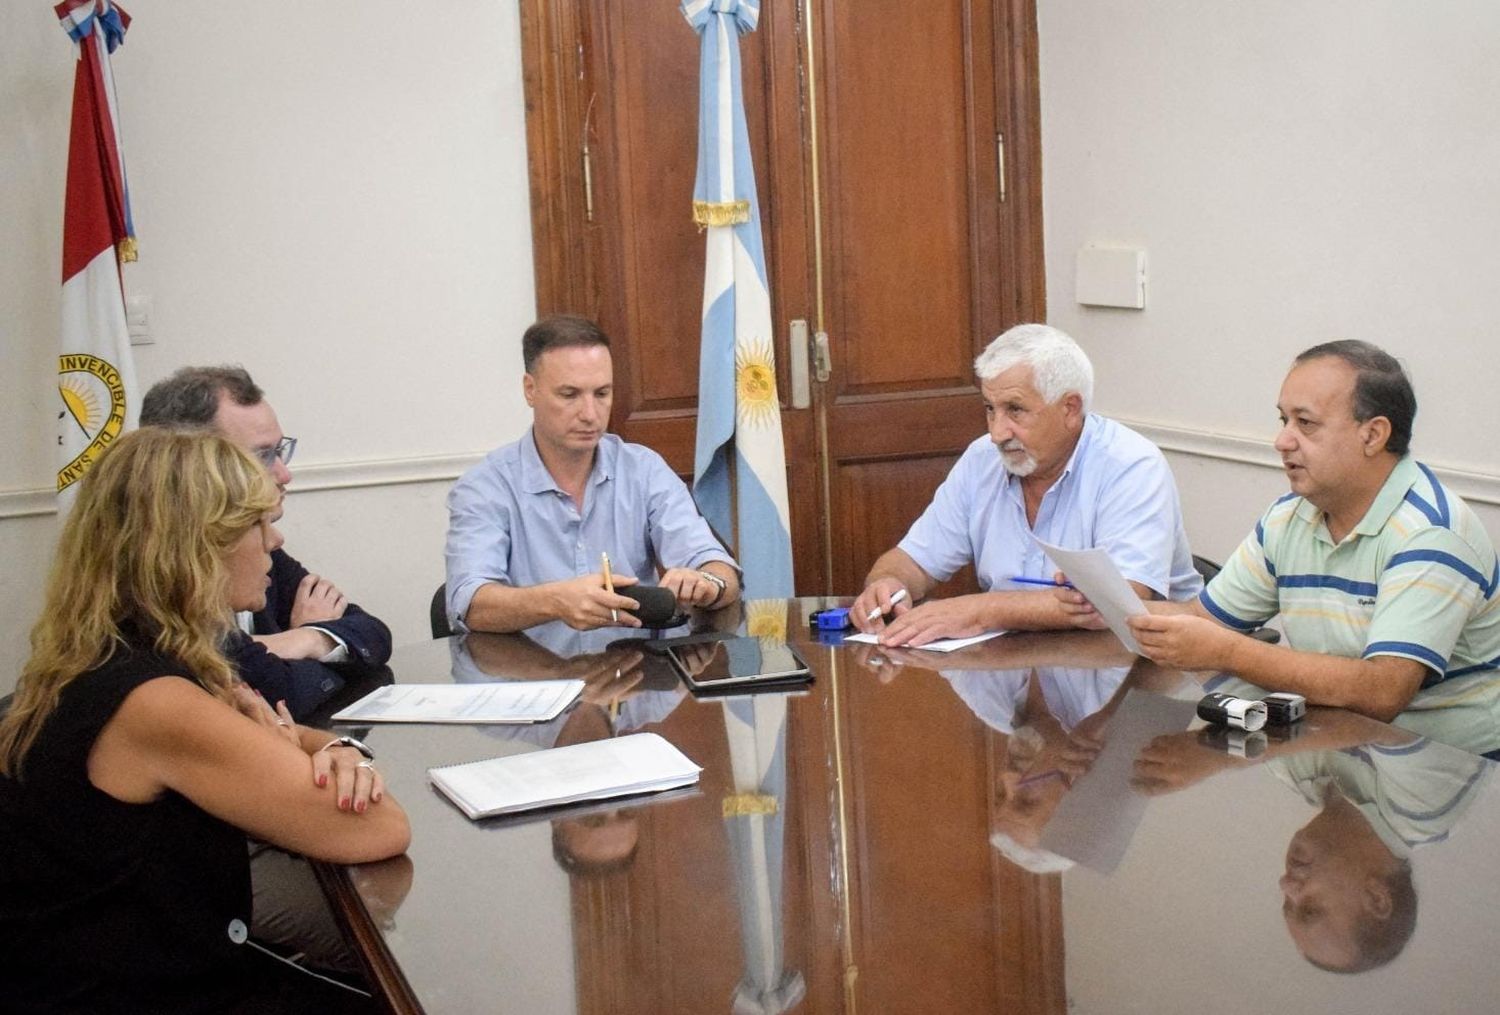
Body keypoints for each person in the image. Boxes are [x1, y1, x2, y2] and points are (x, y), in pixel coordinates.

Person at [0, 429, 409, 1013]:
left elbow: (278, 732)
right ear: (196, 545)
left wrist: (330, 747)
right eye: (255, 525)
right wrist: (311, 750)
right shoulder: (155, 701)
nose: (276, 539)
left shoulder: (112, 653)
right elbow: (380, 828)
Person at [1073, 341, 1500, 748]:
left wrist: (1228, 651)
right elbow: (1203, 619)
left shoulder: (1431, 532)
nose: (1282, 441)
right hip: (1339, 744)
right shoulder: (1289, 516)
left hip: (1444, 770)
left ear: (1373, 435)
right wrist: (1102, 599)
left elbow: (1383, 691)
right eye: (1283, 421)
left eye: (1306, 423)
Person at [850, 323, 1201, 647]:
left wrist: (979, 611)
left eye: (1015, 410)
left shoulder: (1130, 464)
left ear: (1070, 408)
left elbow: (1122, 600)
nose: (997, 432)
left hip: (1139, 675)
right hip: (1018, 667)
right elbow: (912, 561)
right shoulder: (981, 459)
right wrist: (887, 584)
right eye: (990, 408)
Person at [446, 315, 742, 634]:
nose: (590, 414)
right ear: (530, 390)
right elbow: (469, 604)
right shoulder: (485, 487)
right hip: (536, 675)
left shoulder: (643, 470)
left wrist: (707, 583)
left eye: (601, 394)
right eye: (569, 395)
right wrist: (555, 601)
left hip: (642, 675)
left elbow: (720, 571)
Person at [140, 365, 393, 722]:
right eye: (261, 456)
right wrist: (294, 654)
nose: (284, 474)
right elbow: (282, 692)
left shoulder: (259, 549)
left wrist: (305, 639)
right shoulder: (162, 580)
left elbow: (372, 634)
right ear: (194, 463)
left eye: (280, 451)